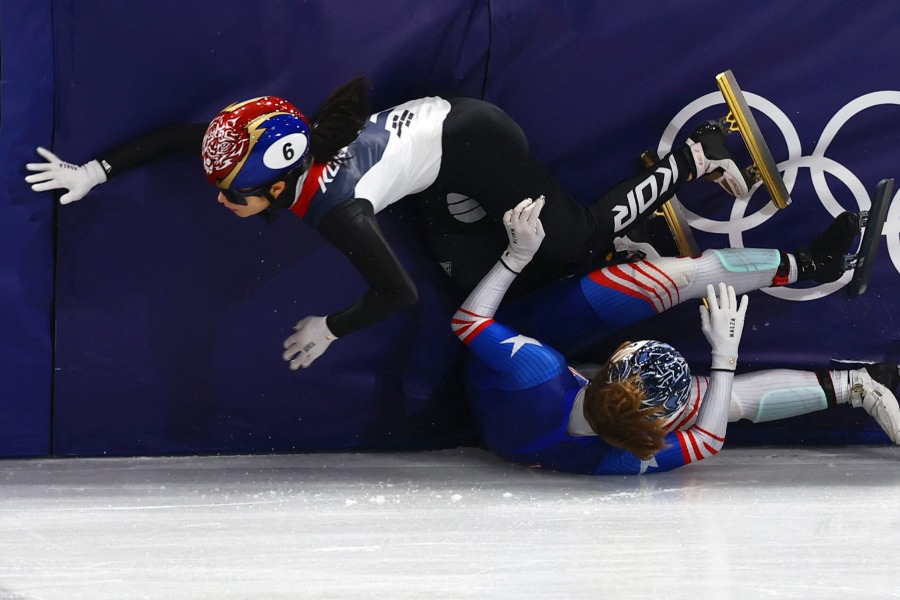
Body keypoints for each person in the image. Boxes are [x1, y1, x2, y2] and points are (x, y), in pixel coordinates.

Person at [26, 77, 762, 370]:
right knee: (482, 276)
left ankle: (697, 155)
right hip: (440, 160)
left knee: (573, 241)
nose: (221, 202)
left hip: (477, 143)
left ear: (278, 187)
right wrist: (94, 172)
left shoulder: (335, 209)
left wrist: (330, 326)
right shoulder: (275, 156)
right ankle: (618, 230)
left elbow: (396, 296)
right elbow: (183, 138)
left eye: (233, 195)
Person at [451, 197, 900, 475]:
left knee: (675, 288)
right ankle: (857, 379)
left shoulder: (543, 372)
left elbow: (468, 322)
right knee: (709, 383)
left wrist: (517, 255)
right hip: (529, 406)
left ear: (613, 362)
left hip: (512, 371)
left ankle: (846, 362)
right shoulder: (612, 444)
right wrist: (722, 357)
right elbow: (707, 436)